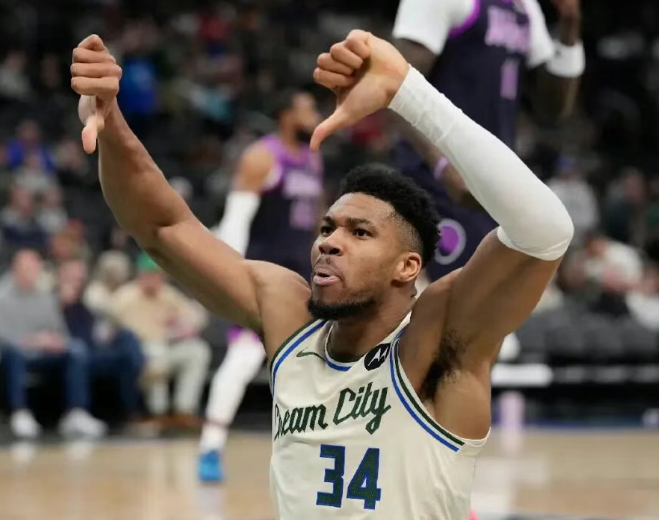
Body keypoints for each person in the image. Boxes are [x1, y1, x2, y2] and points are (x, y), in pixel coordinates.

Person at [71, 32, 573, 519]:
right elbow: (163, 227)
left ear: (407, 266)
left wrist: (407, 91)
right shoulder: (288, 316)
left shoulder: (437, 340)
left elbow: (545, 231)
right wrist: (112, 123)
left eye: (360, 233)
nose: (329, 242)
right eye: (328, 228)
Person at [392, 0, 583, 281]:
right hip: (434, 181)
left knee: (482, 301)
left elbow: (554, 108)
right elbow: (394, 86)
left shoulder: (526, 6)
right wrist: (442, 164)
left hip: (493, 185)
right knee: (437, 296)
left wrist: (569, 24)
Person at [198, 88, 323, 482]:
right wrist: (233, 275)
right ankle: (210, 447)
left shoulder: (313, 159)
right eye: (307, 110)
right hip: (264, 279)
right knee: (242, 361)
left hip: (303, 279)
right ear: (286, 115)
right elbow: (235, 222)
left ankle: (309, 452)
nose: (316, 117)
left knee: (311, 367)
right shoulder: (261, 157)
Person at [0, 249, 106, 439]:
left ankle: (76, 412)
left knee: (76, 350)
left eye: (35, 269)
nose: (33, 273)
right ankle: (19, 412)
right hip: (16, 353)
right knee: (14, 353)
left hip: (45, 351)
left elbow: (60, 331)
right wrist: (33, 341)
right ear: (15, 270)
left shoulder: (46, 298)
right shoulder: (3, 298)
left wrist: (56, 341)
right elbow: (4, 337)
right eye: (28, 269)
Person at [109, 253, 211, 430]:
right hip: (139, 354)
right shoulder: (125, 297)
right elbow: (112, 327)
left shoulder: (167, 294)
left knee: (198, 350)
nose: (153, 279)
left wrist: (184, 326)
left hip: (166, 346)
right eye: (148, 274)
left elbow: (196, 316)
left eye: (157, 274)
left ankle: (184, 411)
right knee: (155, 352)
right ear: (140, 275)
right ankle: (158, 413)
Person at [58, 258, 145, 426]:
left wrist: (108, 334)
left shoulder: (84, 302)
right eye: (74, 277)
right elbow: (53, 328)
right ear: (62, 276)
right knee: (78, 352)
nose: (78, 281)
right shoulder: (53, 299)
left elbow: (95, 330)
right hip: (70, 351)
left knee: (127, 340)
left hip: (93, 348)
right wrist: (62, 303)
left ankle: (134, 414)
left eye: (80, 278)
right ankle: (77, 414)